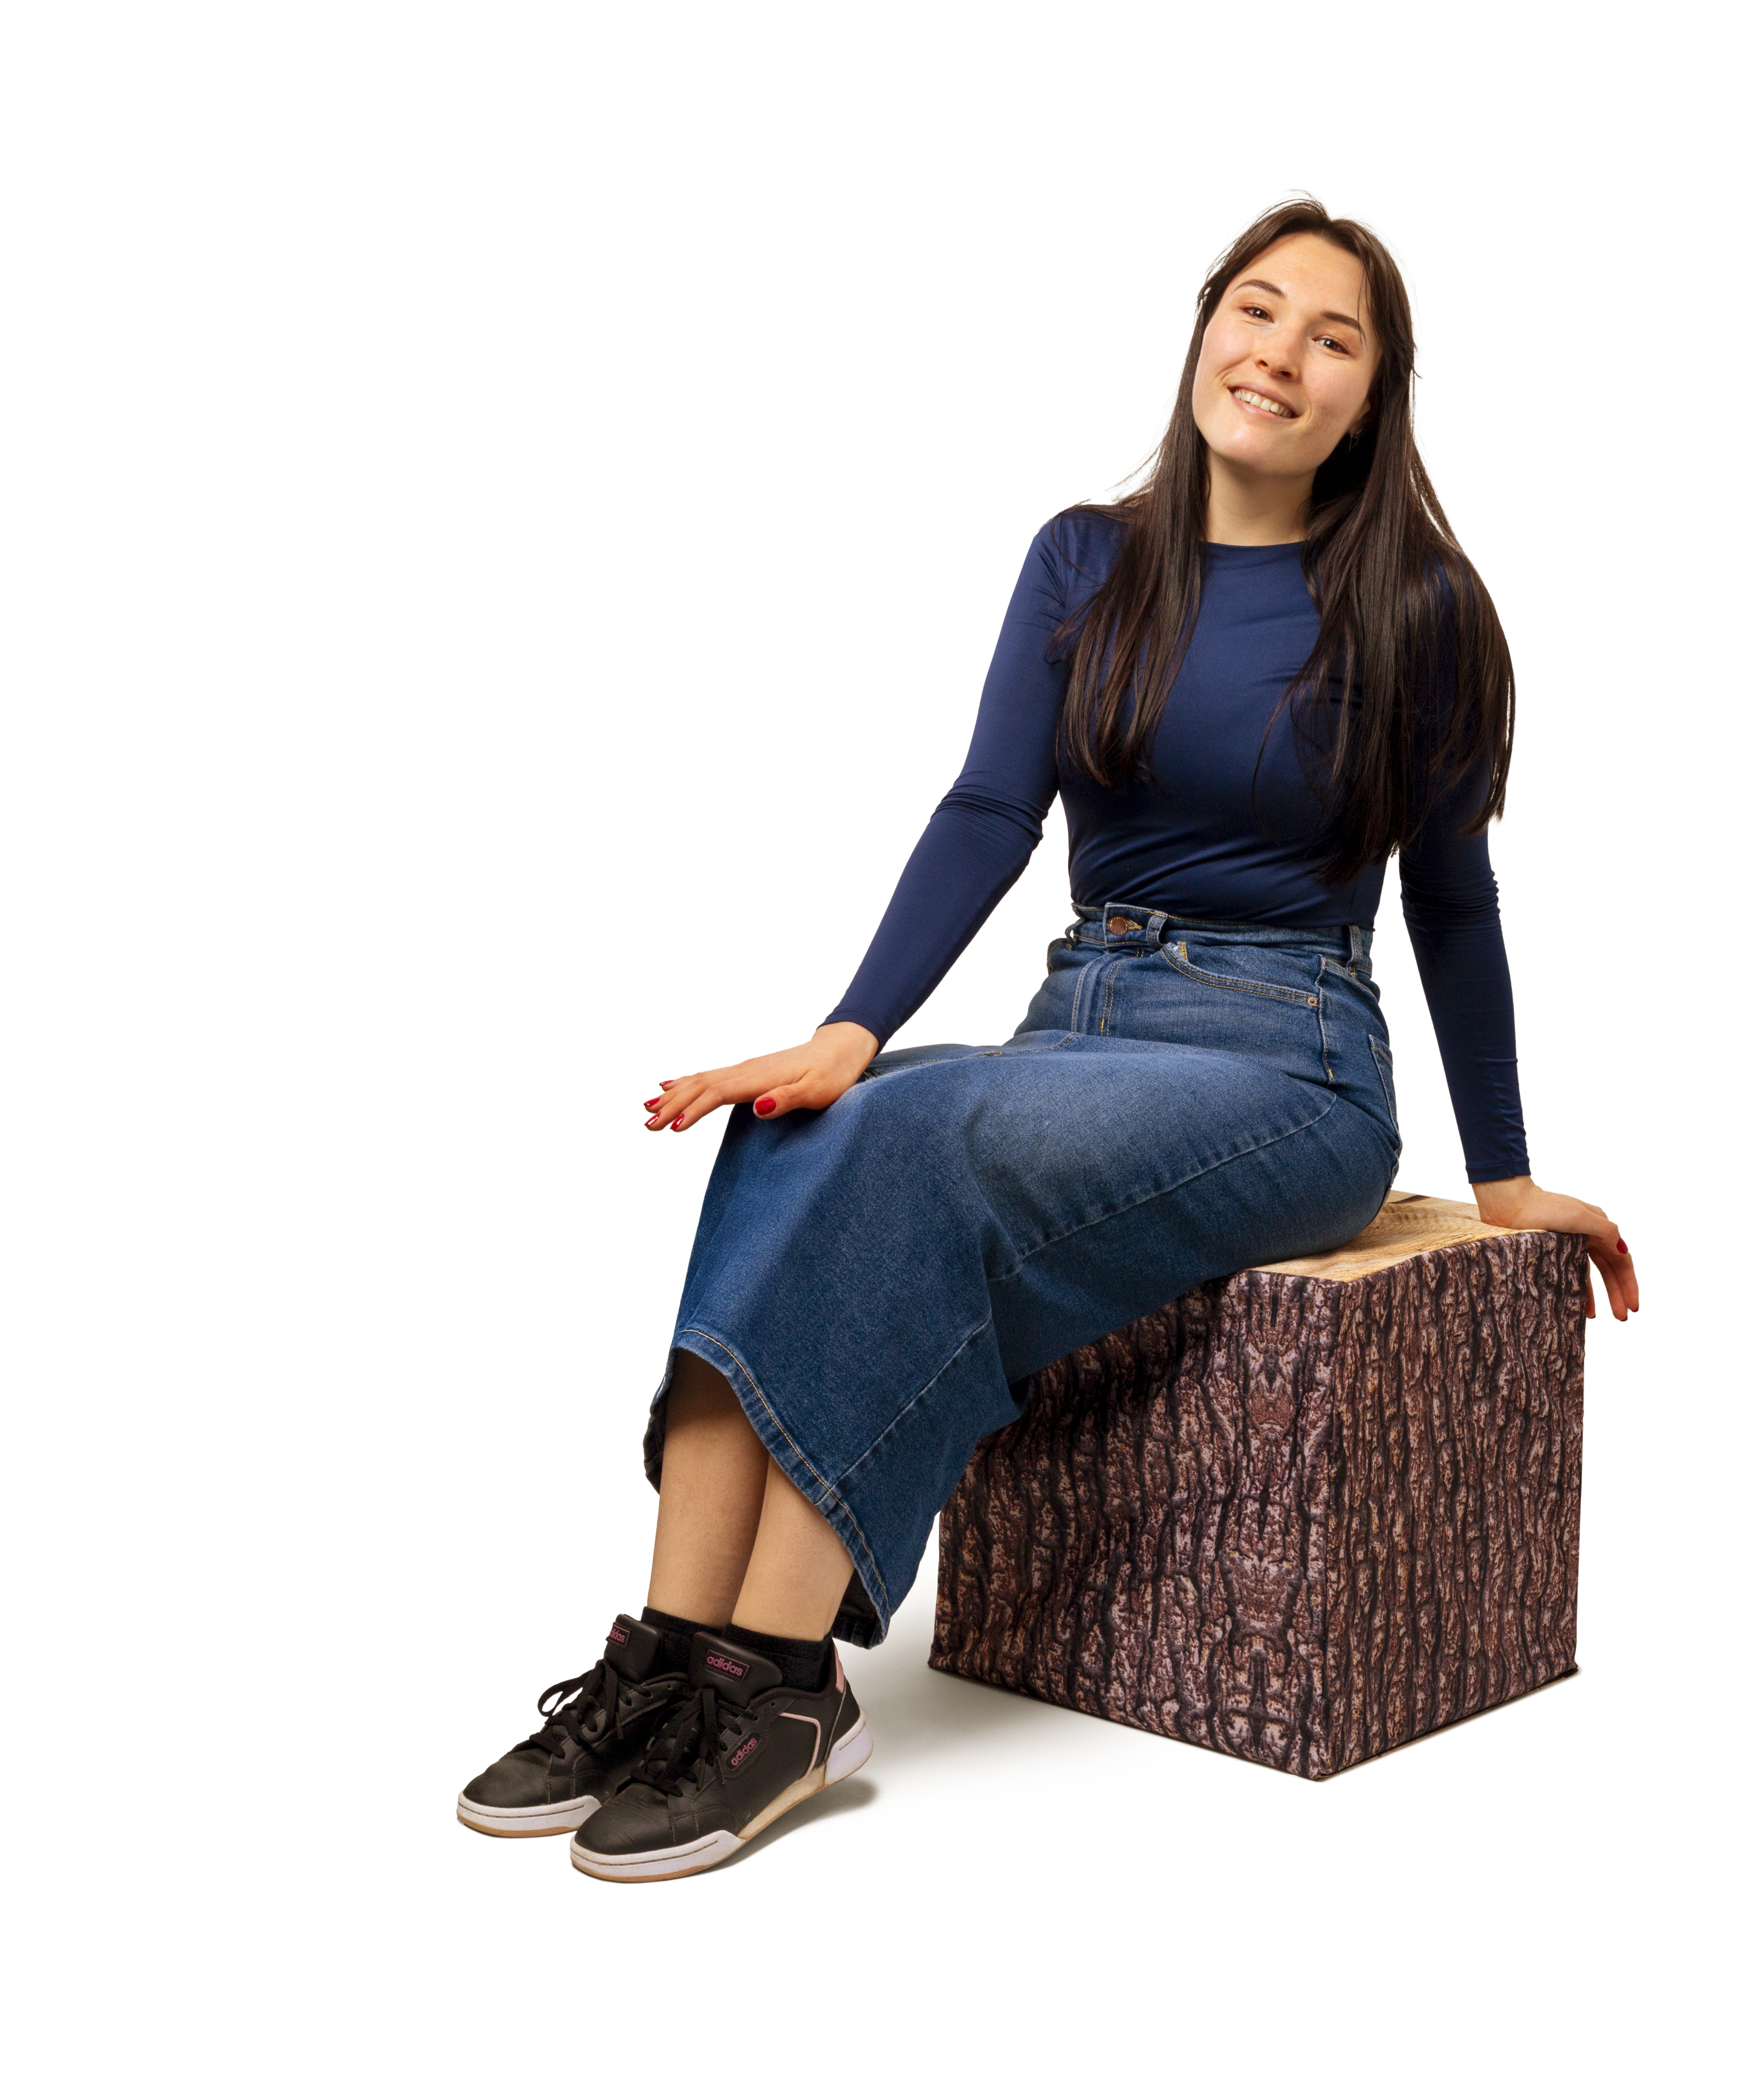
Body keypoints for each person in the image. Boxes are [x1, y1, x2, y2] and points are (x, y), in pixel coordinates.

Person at [456, 196, 1641, 1880]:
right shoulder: (1088, 560)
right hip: (1081, 1018)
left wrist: (1506, 1176)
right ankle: (667, 1656)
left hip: (1288, 1063)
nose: (1281, 355)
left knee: (918, 1140)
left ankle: (782, 1685)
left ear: (1373, 397)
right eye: (1257, 309)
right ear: (1205, 329)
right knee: (804, 1127)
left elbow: (1454, 904)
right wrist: (850, 1030)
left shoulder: (1422, 606)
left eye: (1334, 338)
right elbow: (989, 810)